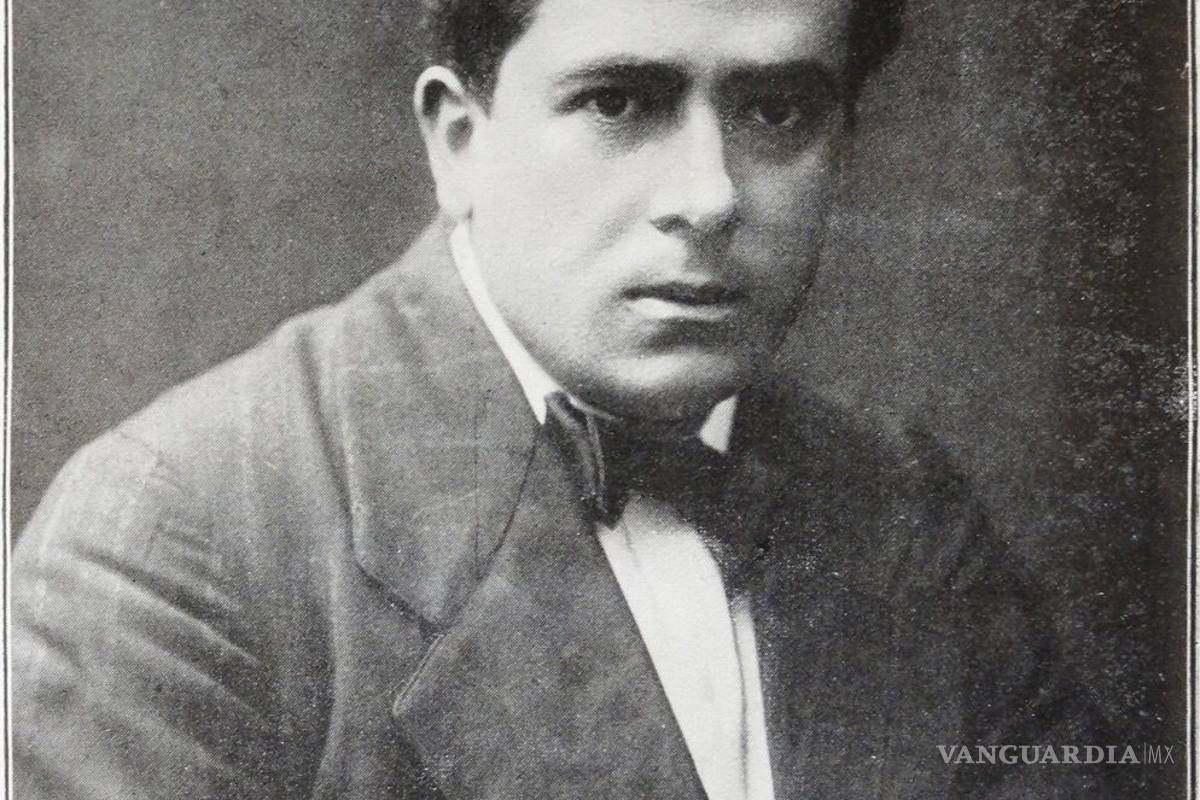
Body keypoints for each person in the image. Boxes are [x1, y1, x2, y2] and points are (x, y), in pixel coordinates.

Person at [13, 0, 1118, 797]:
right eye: (619, 102)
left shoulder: (903, 507)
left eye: (779, 112)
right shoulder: (179, 544)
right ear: (460, 142)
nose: (709, 196)